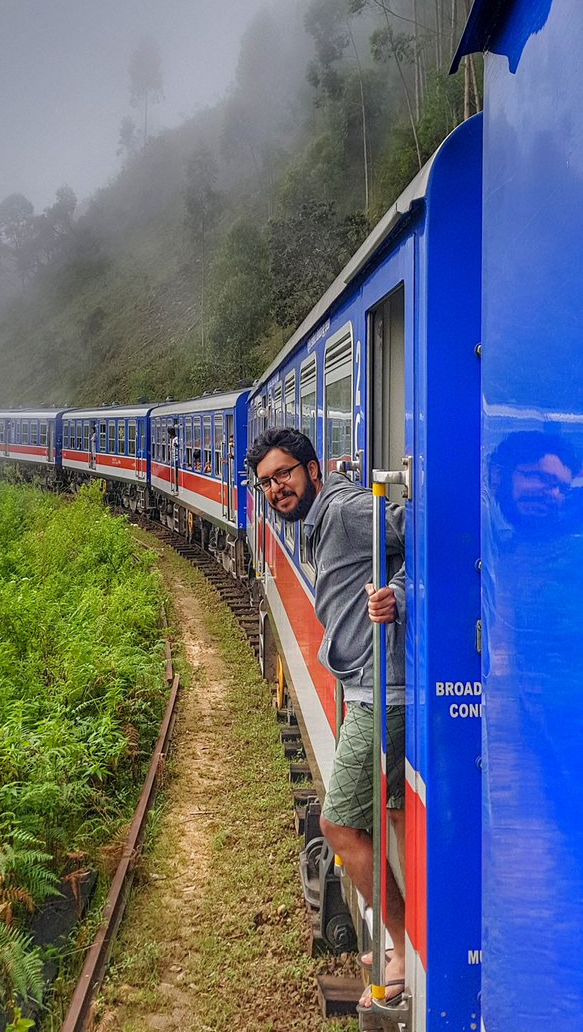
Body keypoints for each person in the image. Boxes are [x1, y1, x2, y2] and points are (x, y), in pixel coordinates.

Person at [245, 427, 406, 1009]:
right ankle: (400, 936)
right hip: (365, 684)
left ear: (313, 469)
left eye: (284, 474)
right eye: (266, 483)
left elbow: (425, 532)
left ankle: (400, 947)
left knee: (338, 828)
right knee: (381, 819)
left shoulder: (343, 511)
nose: (277, 489)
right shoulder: (319, 520)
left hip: (382, 692)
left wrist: (402, 596)